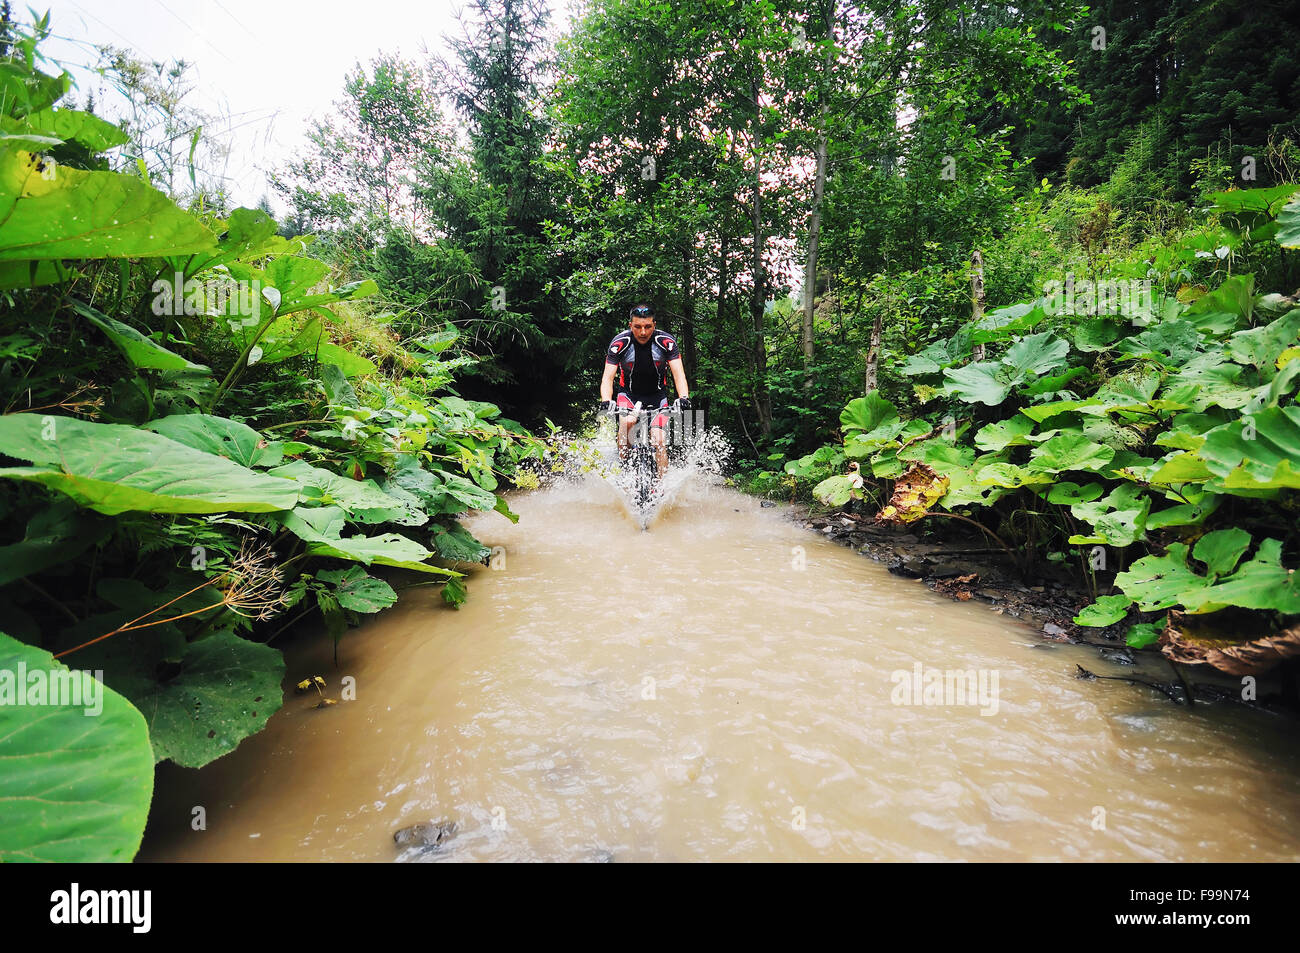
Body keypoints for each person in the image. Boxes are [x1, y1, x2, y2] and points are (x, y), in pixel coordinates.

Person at [599, 302, 691, 481]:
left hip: (658, 397)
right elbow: (607, 377)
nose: (643, 332)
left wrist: (683, 397)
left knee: (659, 439)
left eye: (648, 326)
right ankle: (624, 470)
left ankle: (662, 486)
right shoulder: (620, 342)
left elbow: (679, 375)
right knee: (628, 422)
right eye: (638, 327)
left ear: (654, 325)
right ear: (630, 325)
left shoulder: (666, 342)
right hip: (629, 395)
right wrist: (606, 400)